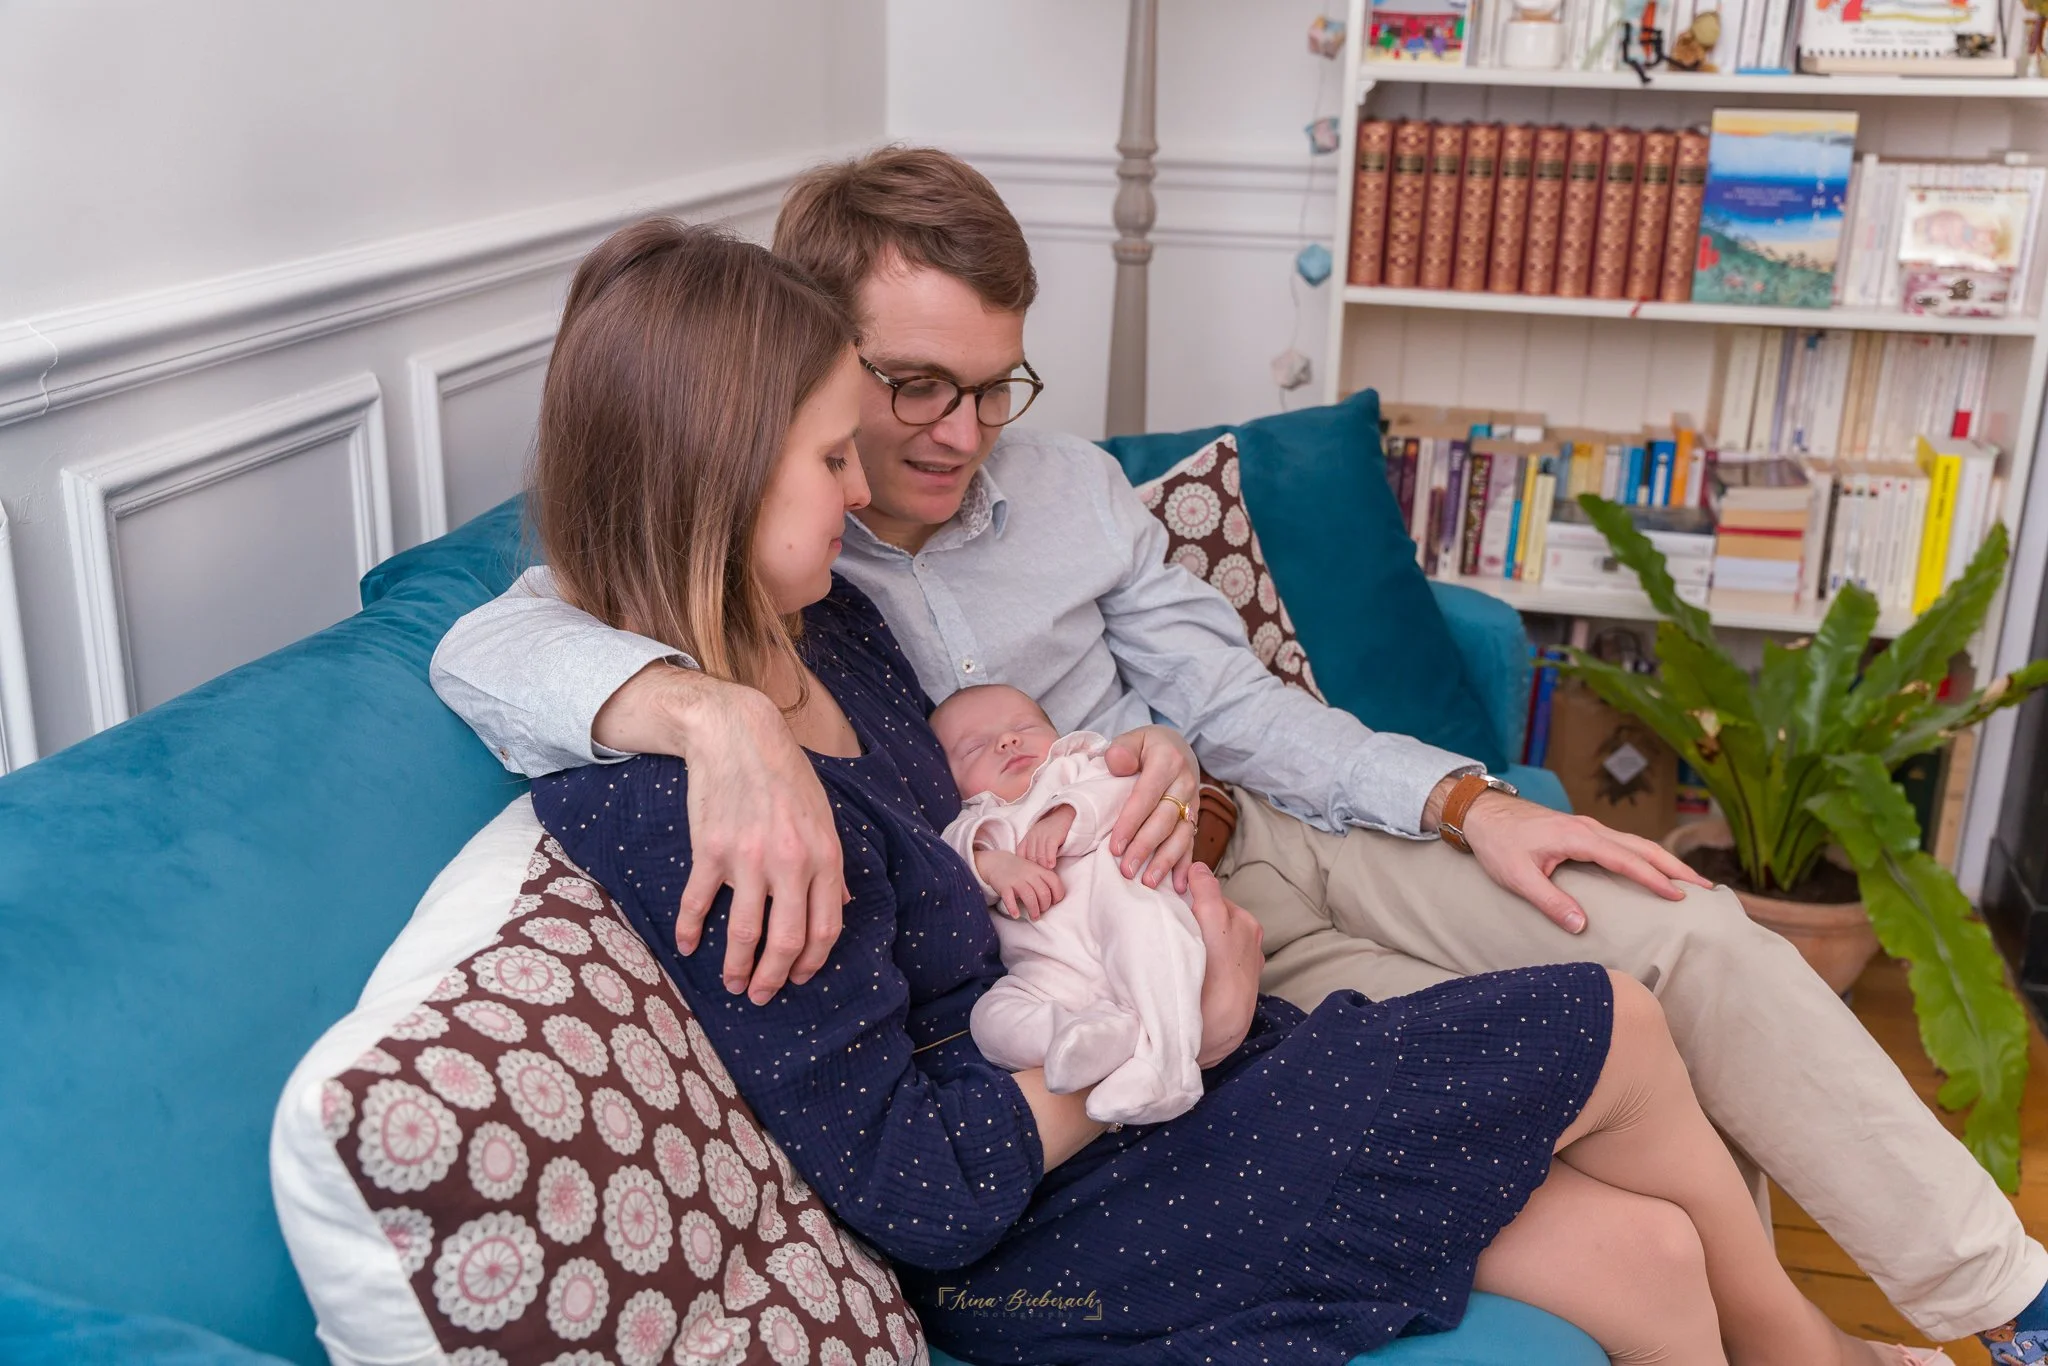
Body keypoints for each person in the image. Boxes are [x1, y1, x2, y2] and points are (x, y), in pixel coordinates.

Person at [432, 147, 2048, 1361]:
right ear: (803, 392)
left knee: (1679, 970)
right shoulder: (730, 673)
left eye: (987, 387)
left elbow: (1223, 714)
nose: (928, 447)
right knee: (1615, 1066)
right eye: (886, 405)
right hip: (1105, 1051)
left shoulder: (984, 537)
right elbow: (496, 637)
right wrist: (702, 716)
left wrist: (1454, 798)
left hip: (1220, 855)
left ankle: (1962, 1302)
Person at [932, 682, 1207, 1126]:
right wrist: (995, 866)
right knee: (989, 1019)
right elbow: (951, 869)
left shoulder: (1076, 768)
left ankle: (1170, 1068)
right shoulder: (971, 822)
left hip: (1125, 915)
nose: (1007, 741)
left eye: (1023, 726)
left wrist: (1066, 814)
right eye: (975, 748)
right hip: (1049, 974)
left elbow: (1133, 793)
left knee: (1146, 927)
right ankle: (1087, 1040)